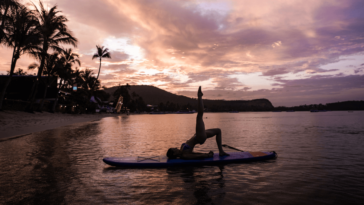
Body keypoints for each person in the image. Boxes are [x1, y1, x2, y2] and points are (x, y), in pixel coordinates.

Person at [166, 86, 230, 159]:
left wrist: (206, 154)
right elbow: (195, 156)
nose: (175, 147)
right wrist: (207, 155)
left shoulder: (182, 151)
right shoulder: (184, 155)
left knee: (218, 131)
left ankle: (221, 151)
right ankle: (199, 96)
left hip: (197, 135)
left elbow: (194, 153)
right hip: (199, 137)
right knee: (199, 116)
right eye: (174, 149)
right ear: (174, 154)